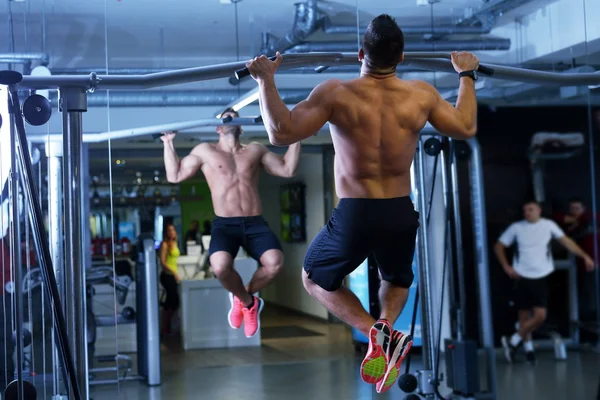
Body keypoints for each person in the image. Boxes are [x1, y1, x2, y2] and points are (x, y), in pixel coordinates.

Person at [245, 14, 480, 393]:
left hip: (356, 211)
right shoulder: (421, 94)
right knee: (397, 277)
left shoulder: (336, 92)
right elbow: (466, 127)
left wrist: (265, 80)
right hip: (400, 209)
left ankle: (375, 332)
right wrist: (466, 76)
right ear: (401, 57)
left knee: (313, 277)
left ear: (359, 54)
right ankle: (387, 326)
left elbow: (280, 132)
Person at [161, 108, 301, 338]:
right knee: (219, 266)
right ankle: (248, 303)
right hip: (225, 225)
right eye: (225, 118)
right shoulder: (205, 151)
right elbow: (174, 175)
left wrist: (297, 138)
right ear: (218, 127)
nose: (229, 120)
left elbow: (287, 169)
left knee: (275, 263)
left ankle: (244, 297)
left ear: (241, 126)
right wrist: (168, 143)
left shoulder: (255, 150)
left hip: (255, 222)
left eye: (233, 116)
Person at [495, 200, 595, 365]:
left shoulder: (548, 225)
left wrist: (584, 255)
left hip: (541, 275)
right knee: (524, 316)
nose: (527, 212)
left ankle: (512, 340)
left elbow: (567, 242)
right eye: (525, 210)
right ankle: (528, 350)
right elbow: (499, 246)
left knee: (540, 316)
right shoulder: (517, 227)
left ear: (539, 211)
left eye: (531, 209)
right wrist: (506, 266)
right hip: (521, 275)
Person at [159, 223, 181, 337]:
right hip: (167, 275)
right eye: (169, 230)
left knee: (173, 302)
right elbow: (163, 262)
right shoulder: (165, 245)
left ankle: (166, 327)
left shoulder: (175, 243)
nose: (171, 232)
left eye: (173, 230)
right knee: (171, 301)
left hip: (174, 275)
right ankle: (164, 328)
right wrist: (174, 272)